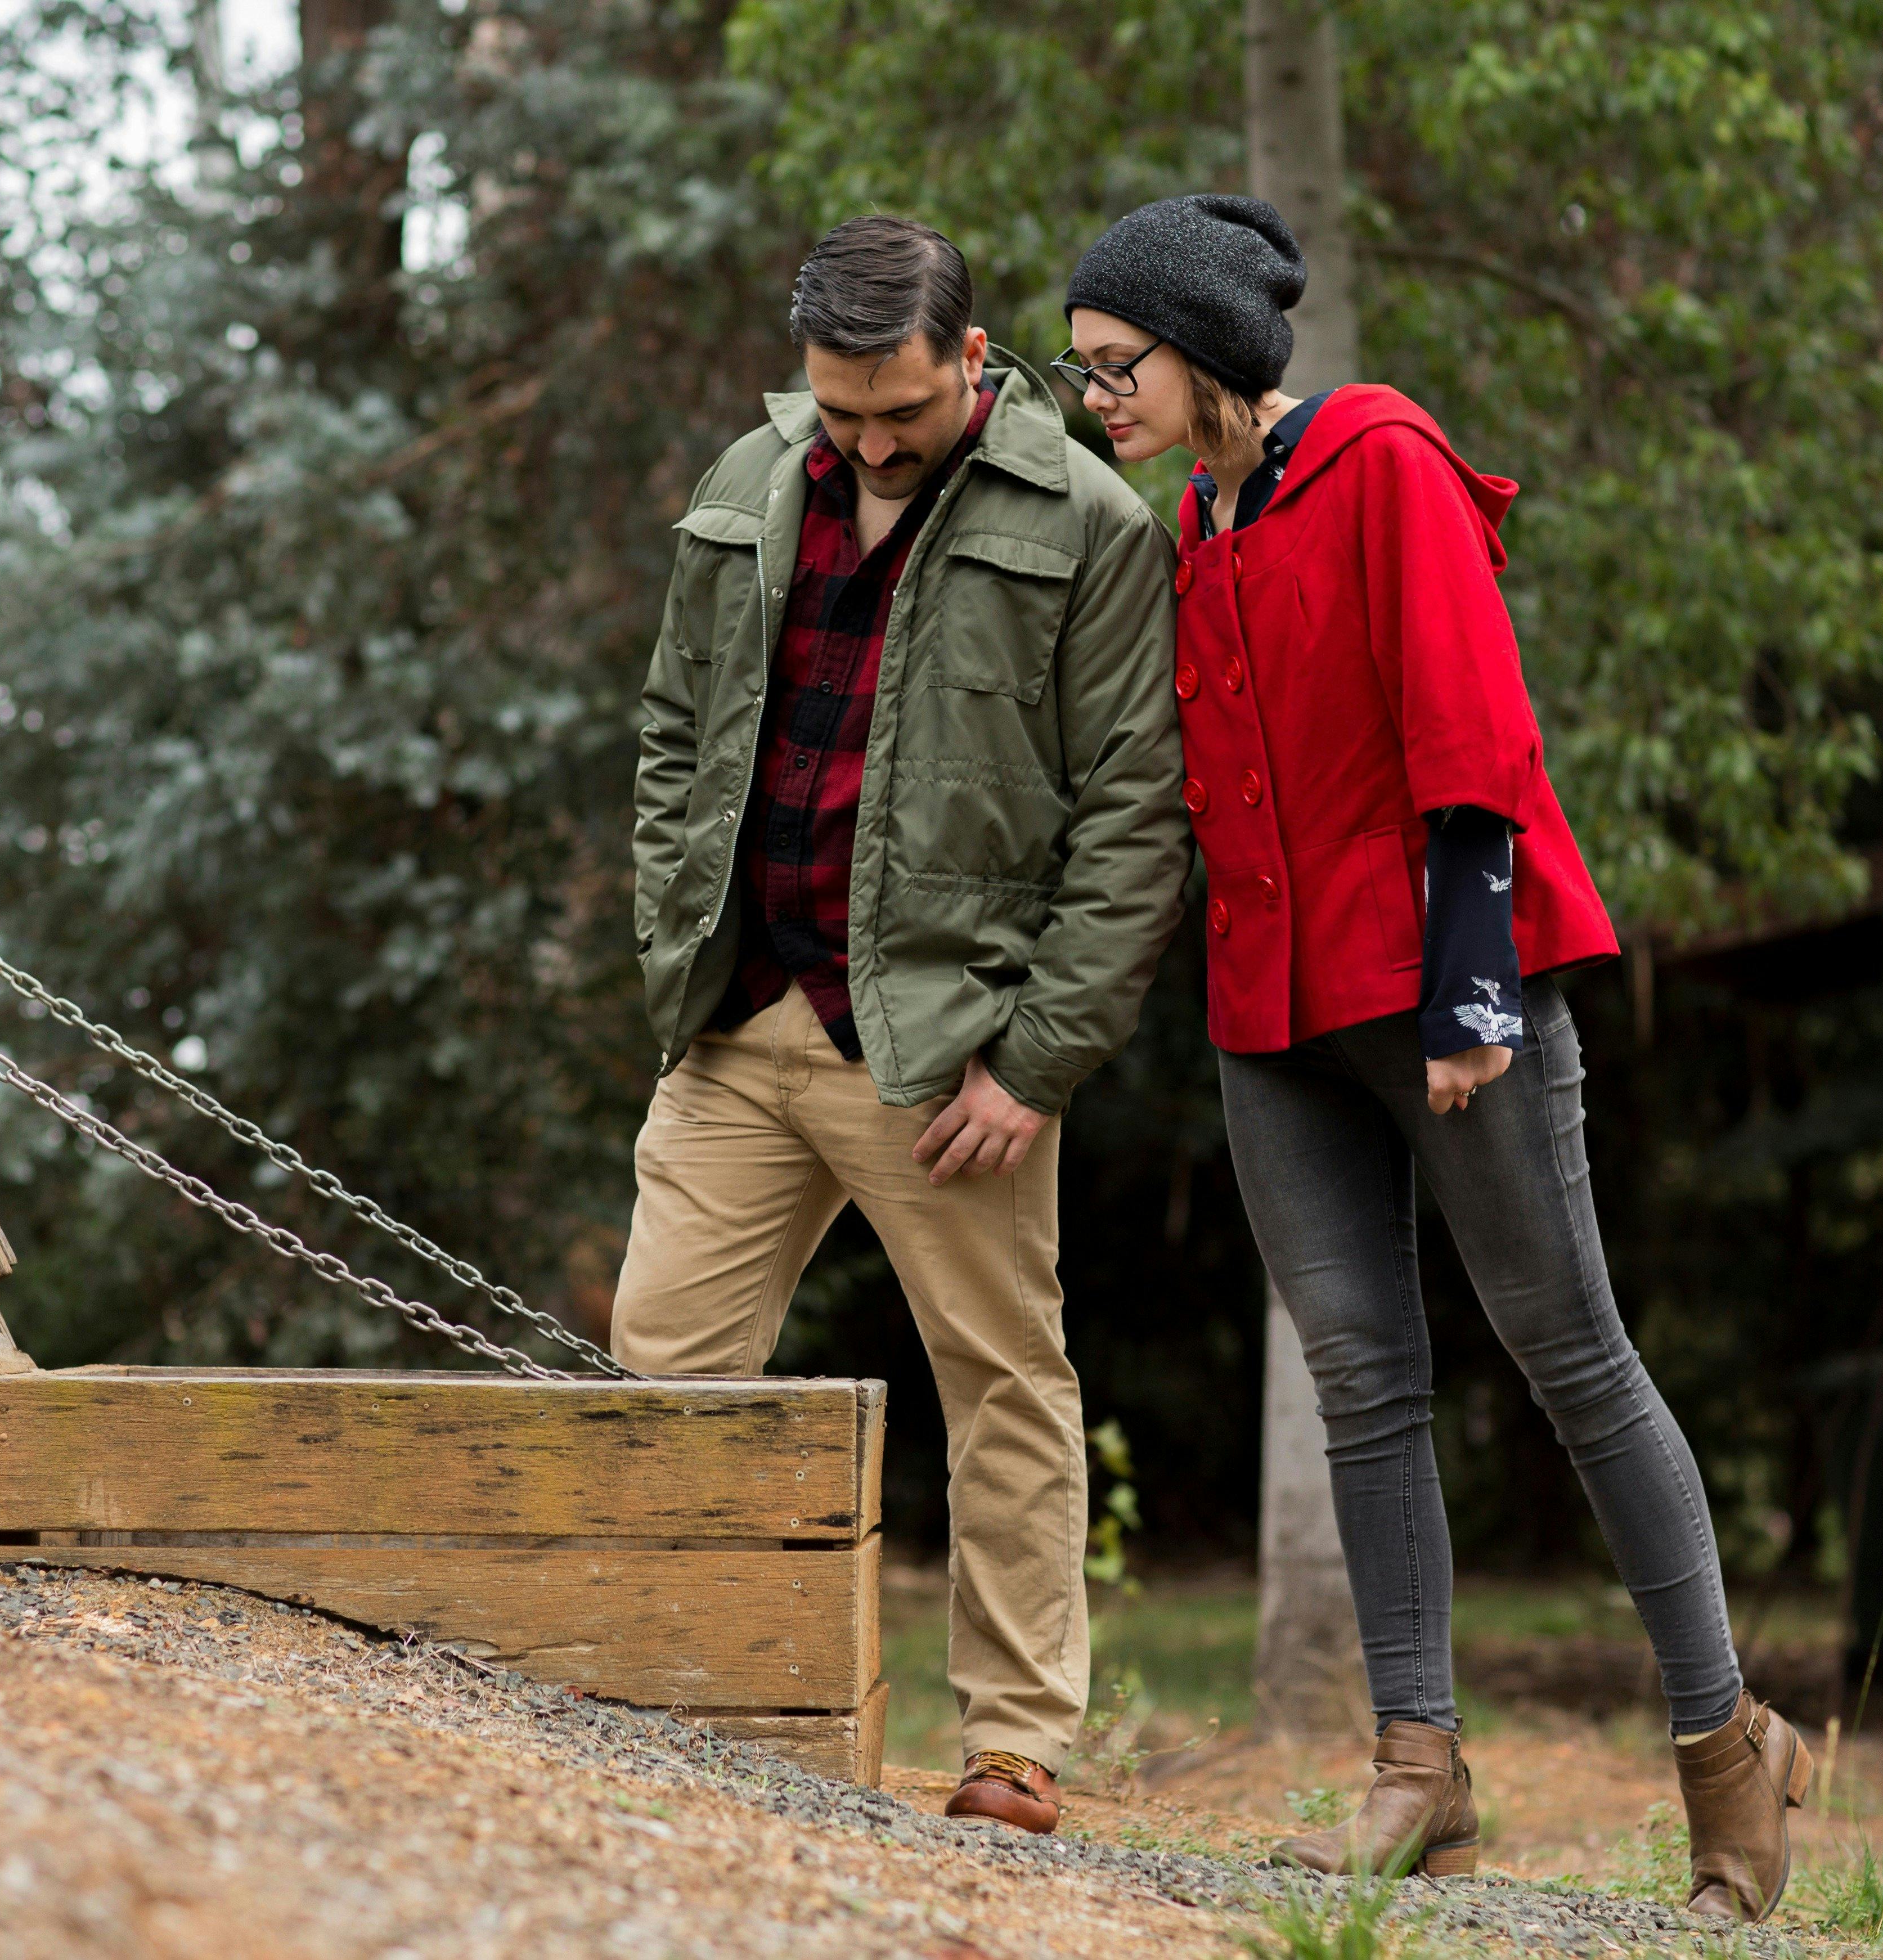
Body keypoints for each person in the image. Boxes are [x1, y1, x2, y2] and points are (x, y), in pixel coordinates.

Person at [1056, 193, 1807, 1918]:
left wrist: (1474, 996)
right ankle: (1418, 1771)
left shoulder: (1380, 457)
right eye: (1084, 365)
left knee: (1570, 1355)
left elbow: (1470, 723)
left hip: (1442, 993)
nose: (1092, 390)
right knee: (1362, 1389)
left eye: (1116, 361)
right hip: (1275, 1020)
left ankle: (1724, 1745)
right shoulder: (1193, 521)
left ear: (1210, 354)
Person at [615, 215, 1190, 1835]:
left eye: (902, 414)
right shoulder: (746, 482)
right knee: (660, 1374)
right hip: (738, 1022)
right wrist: (676, 930)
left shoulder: (1090, 523)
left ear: (974, 358)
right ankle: (678, 1702)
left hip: (946, 1053)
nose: (868, 442)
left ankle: (1011, 1746)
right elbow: (674, 730)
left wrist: (1038, 1056)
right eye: (841, 410)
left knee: (1004, 1380)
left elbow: (1136, 817)